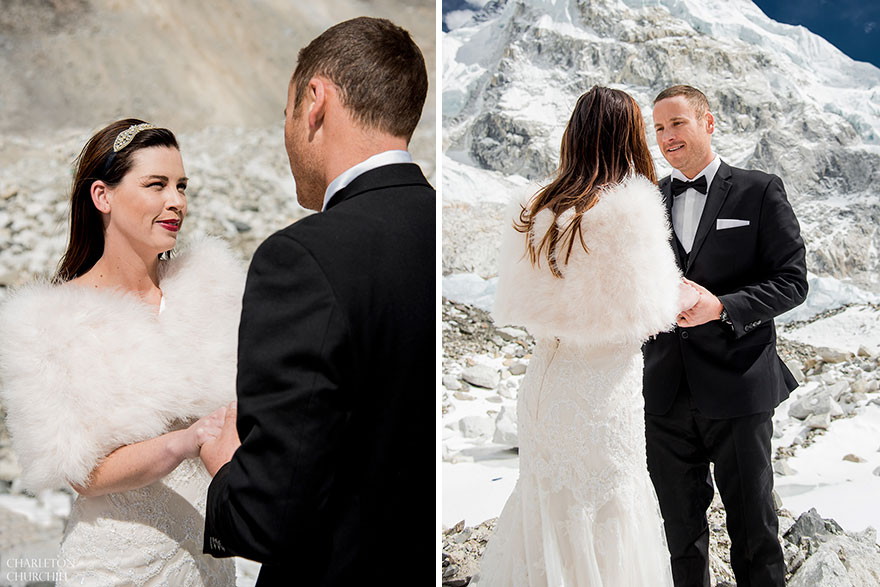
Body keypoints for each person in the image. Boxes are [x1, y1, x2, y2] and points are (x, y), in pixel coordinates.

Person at [198, 17, 435, 585]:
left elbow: (269, 516)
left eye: (284, 112)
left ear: (314, 101)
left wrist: (227, 467)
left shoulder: (301, 257)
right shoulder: (433, 225)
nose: (285, 132)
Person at [474, 86, 700, 586]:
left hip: (545, 388)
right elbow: (650, 310)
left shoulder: (536, 208)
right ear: (627, 138)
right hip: (602, 392)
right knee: (607, 505)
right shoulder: (632, 207)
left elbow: (528, 301)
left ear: (573, 136)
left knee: (545, 500)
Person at [0, 119, 241, 585]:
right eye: (156, 185)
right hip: (116, 566)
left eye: (181, 186)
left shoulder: (212, 287)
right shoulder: (48, 321)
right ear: (102, 196)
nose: (177, 201)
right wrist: (183, 442)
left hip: (209, 561)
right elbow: (81, 473)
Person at [643, 85, 808, 587]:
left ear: (708, 124)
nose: (667, 137)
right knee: (680, 534)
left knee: (754, 528)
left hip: (739, 386)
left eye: (677, 124)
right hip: (664, 394)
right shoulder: (644, 201)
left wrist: (722, 307)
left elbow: (792, 280)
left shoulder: (759, 190)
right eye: (659, 129)